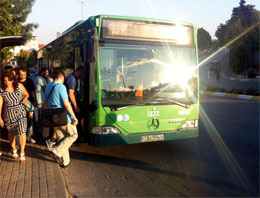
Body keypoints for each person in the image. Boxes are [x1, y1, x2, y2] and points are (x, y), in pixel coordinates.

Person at [46, 70, 78, 168]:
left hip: (52, 116)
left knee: (62, 140)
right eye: (63, 78)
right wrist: (74, 117)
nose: (64, 81)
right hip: (63, 117)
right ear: (60, 77)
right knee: (73, 135)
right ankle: (56, 151)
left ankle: (65, 162)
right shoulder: (61, 87)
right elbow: (66, 103)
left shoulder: (48, 87)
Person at [0, 71, 29, 162]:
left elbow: (26, 94)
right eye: (5, 80)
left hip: (21, 112)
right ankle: (14, 149)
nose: (6, 82)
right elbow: (0, 105)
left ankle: (22, 152)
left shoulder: (19, 86)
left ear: (12, 80)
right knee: (11, 134)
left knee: (22, 132)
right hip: (9, 115)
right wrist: (0, 118)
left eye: (8, 80)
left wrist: (25, 98)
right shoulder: (1, 90)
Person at [18, 67, 36, 143]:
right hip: (20, 104)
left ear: (26, 74)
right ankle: (21, 137)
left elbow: (33, 92)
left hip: (29, 104)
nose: (22, 76)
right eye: (21, 75)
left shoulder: (29, 81)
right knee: (21, 120)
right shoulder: (16, 82)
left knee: (30, 120)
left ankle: (29, 136)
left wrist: (35, 101)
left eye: (24, 75)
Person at [34, 67, 50, 138]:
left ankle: (40, 132)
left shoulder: (36, 78)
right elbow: (45, 90)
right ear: (42, 72)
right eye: (46, 72)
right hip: (41, 101)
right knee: (43, 118)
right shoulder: (41, 79)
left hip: (39, 100)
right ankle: (43, 134)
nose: (47, 74)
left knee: (40, 118)